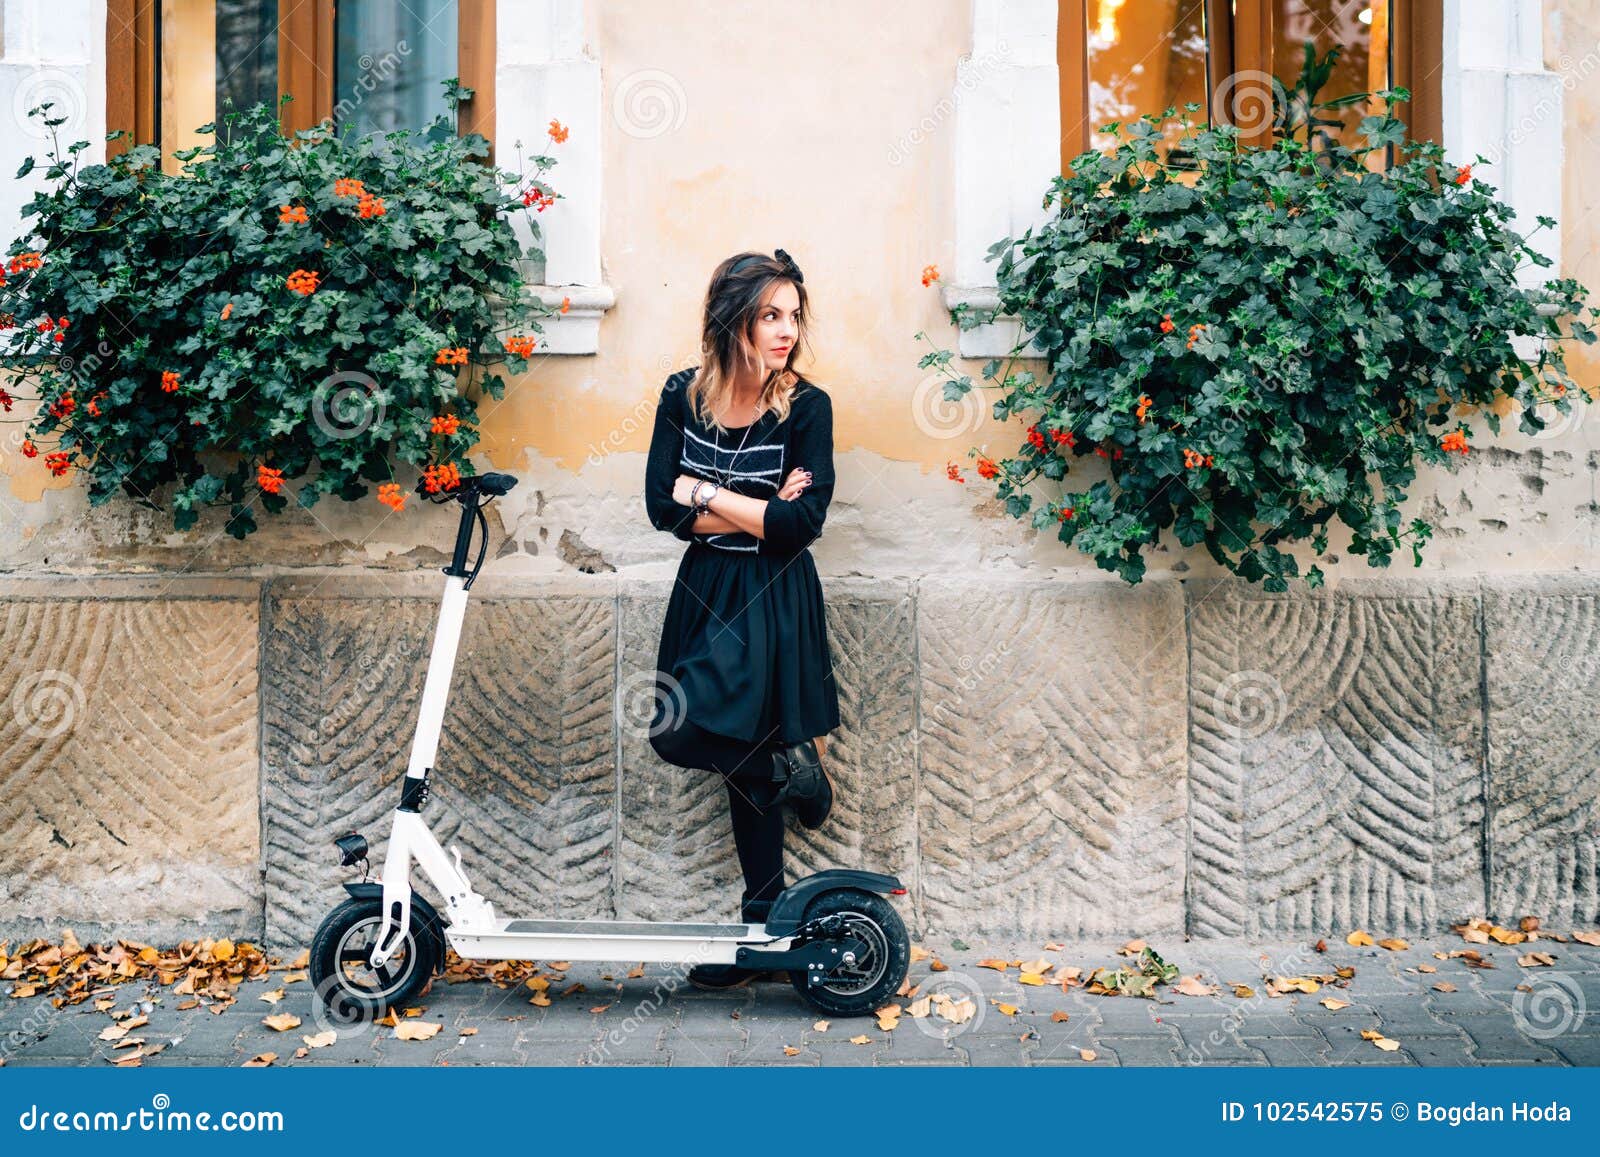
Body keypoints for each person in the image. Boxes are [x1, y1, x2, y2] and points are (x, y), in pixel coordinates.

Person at [642, 248, 840, 989]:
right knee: (680, 729)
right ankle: (793, 771)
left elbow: (799, 525)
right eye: (770, 315)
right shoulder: (681, 397)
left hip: (773, 591)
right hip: (707, 587)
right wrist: (754, 506)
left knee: (727, 742)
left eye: (794, 315)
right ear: (734, 320)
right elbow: (662, 505)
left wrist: (708, 492)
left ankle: (759, 935)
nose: (787, 330)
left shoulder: (807, 407)